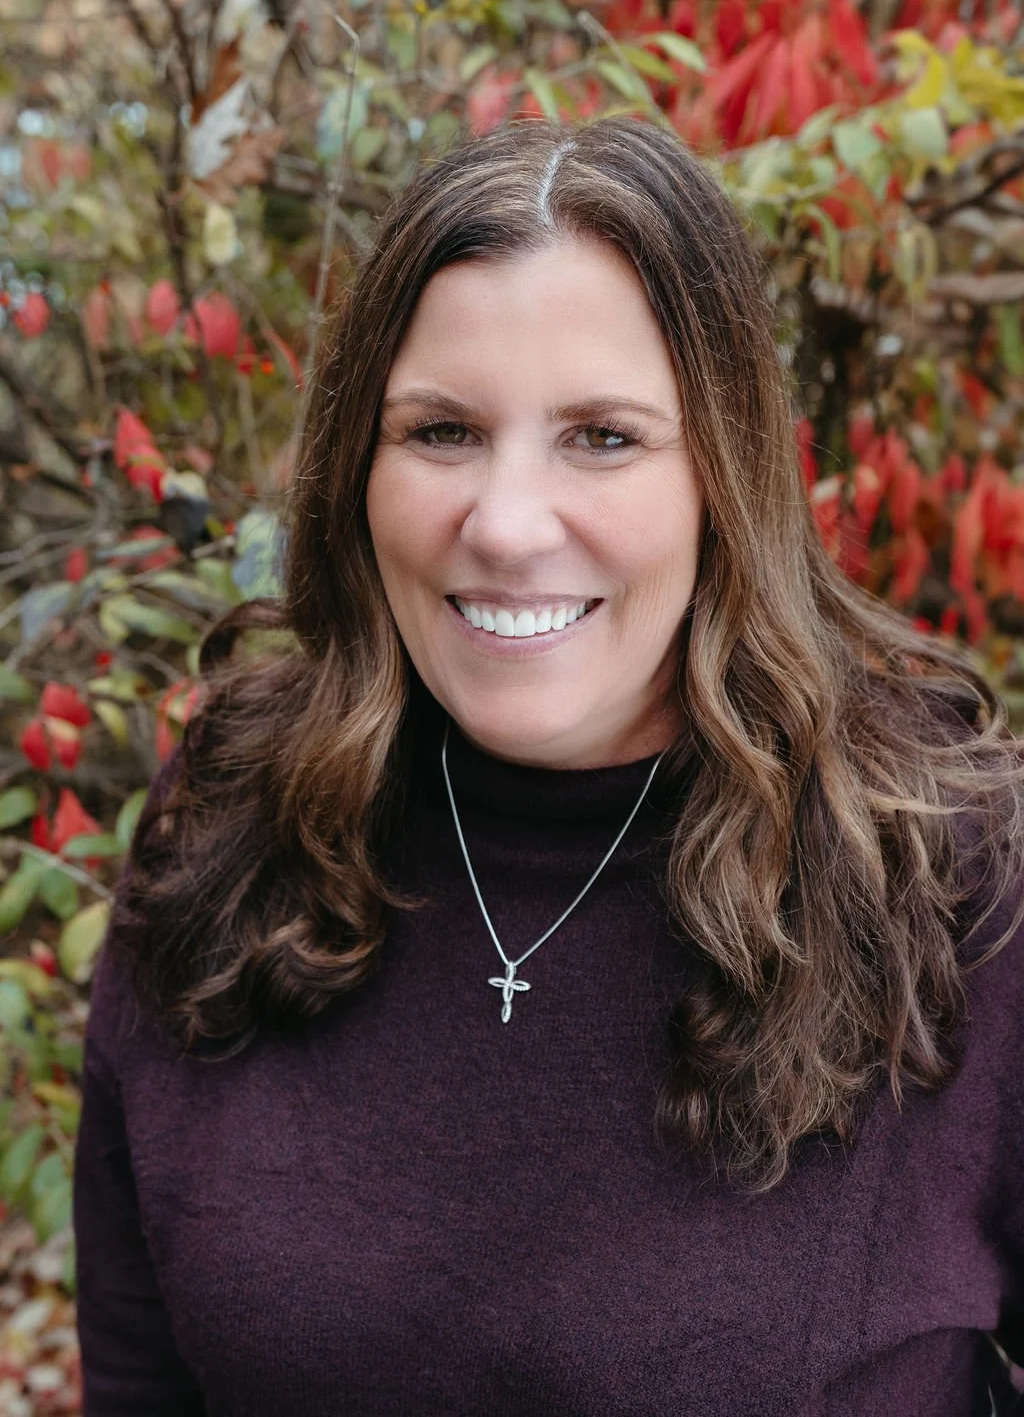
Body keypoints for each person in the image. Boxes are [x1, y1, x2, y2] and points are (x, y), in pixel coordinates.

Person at [73, 116, 1024, 1417]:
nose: (507, 524)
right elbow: (141, 1379)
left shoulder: (956, 877)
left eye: (604, 437)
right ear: (358, 463)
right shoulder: (232, 836)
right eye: (443, 431)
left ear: (723, 474)